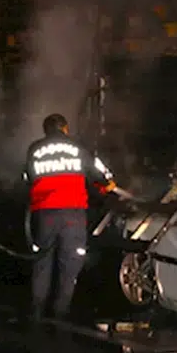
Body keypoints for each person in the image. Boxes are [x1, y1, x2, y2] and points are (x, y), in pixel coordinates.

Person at [23, 113, 116, 322]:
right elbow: (101, 173)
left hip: (44, 214)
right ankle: (60, 313)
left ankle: (36, 313)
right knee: (70, 263)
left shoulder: (35, 149)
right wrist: (107, 185)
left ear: (45, 130)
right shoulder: (78, 148)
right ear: (65, 128)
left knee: (42, 262)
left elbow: (27, 177)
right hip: (72, 214)